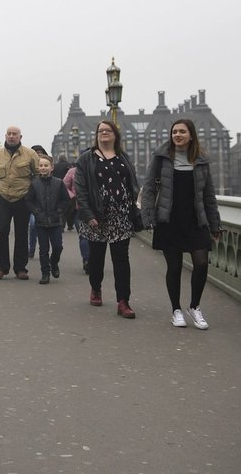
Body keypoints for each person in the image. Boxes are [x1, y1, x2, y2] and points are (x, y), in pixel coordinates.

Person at [141, 119, 221, 330]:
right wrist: (148, 217)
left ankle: (194, 307)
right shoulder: (161, 158)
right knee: (174, 267)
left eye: (182, 132)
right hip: (169, 219)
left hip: (196, 219)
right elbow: (149, 188)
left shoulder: (201, 161)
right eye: (174, 131)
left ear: (191, 135)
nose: (177, 135)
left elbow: (209, 195)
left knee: (202, 262)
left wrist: (215, 224)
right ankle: (176, 310)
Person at [74, 120, 141, 318]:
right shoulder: (86, 159)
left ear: (115, 135)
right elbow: (81, 188)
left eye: (107, 130)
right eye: (100, 131)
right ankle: (96, 288)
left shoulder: (123, 157)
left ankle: (123, 301)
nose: (103, 133)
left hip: (121, 215)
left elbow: (132, 183)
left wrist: (133, 206)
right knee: (96, 258)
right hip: (97, 215)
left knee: (121, 259)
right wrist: (87, 214)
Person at [0, 126, 39, 280]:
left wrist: (30, 194)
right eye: (9, 134)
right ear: (5, 136)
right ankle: (1, 267)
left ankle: (20, 268)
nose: (11, 136)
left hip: (23, 198)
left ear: (20, 137)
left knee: (22, 233)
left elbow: (37, 175)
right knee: (1, 231)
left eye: (14, 134)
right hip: (2, 198)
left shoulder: (30, 154)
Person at [26, 155, 66, 284]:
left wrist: (59, 211)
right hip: (41, 221)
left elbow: (65, 200)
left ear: (52, 167)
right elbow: (28, 200)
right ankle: (45, 273)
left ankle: (54, 263)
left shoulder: (59, 183)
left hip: (56, 221)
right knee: (43, 249)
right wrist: (36, 212)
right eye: (41, 165)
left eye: (46, 165)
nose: (43, 168)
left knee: (58, 247)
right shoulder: (34, 183)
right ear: (38, 168)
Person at [63, 165, 90, 272]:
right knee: (88, 236)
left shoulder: (73, 171)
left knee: (84, 236)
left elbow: (64, 186)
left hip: (80, 207)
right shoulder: (99, 169)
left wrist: (73, 195)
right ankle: (88, 260)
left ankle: (87, 260)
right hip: (87, 208)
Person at [27, 144, 49, 257]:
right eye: (36, 152)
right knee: (33, 225)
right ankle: (31, 249)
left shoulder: (47, 165)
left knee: (37, 226)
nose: (38, 153)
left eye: (40, 152)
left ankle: (42, 249)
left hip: (44, 202)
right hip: (31, 200)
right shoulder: (28, 165)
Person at [52, 154, 76, 230]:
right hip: (67, 189)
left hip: (56, 187)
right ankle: (70, 225)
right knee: (70, 209)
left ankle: (61, 225)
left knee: (61, 207)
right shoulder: (69, 165)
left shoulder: (55, 166)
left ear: (59, 158)